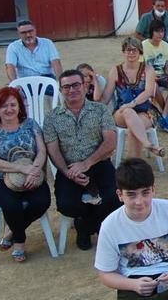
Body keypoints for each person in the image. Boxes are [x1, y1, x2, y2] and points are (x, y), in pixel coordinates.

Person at [95, 158, 168, 299]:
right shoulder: (110, 225)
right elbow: (106, 274)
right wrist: (133, 284)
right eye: (131, 195)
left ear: (153, 190)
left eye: (145, 193)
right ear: (120, 195)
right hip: (135, 281)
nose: (139, 201)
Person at [43, 69, 122, 251]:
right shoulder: (52, 117)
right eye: (66, 86)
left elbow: (110, 142)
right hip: (69, 168)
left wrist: (86, 164)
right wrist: (69, 172)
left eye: (76, 85)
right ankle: (93, 221)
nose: (72, 90)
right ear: (61, 90)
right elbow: (53, 151)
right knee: (65, 204)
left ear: (85, 86)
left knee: (116, 198)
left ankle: (85, 226)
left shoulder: (100, 109)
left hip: (99, 163)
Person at [0, 87, 51, 263]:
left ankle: (11, 232)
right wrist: (21, 169)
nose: (9, 109)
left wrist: (34, 169)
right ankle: (19, 242)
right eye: (4, 105)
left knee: (42, 202)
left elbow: (42, 150)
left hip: (32, 173)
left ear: (20, 107)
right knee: (12, 206)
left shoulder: (31, 124)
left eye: (13, 104)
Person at [101, 37, 167, 158]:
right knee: (128, 112)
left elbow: (148, 92)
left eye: (134, 50)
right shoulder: (115, 70)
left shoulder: (148, 69)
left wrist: (133, 103)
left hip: (146, 111)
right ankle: (148, 144)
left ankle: (134, 165)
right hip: (121, 112)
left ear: (140, 52)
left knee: (134, 129)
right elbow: (106, 96)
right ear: (123, 52)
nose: (131, 53)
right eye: (128, 50)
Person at [142, 21, 168, 134]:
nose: (160, 34)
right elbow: (141, 67)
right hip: (147, 76)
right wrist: (152, 76)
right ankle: (167, 116)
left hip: (161, 75)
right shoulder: (143, 45)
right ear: (151, 32)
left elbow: (166, 66)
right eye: (157, 31)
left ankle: (164, 115)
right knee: (154, 87)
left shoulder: (166, 46)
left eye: (162, 31)